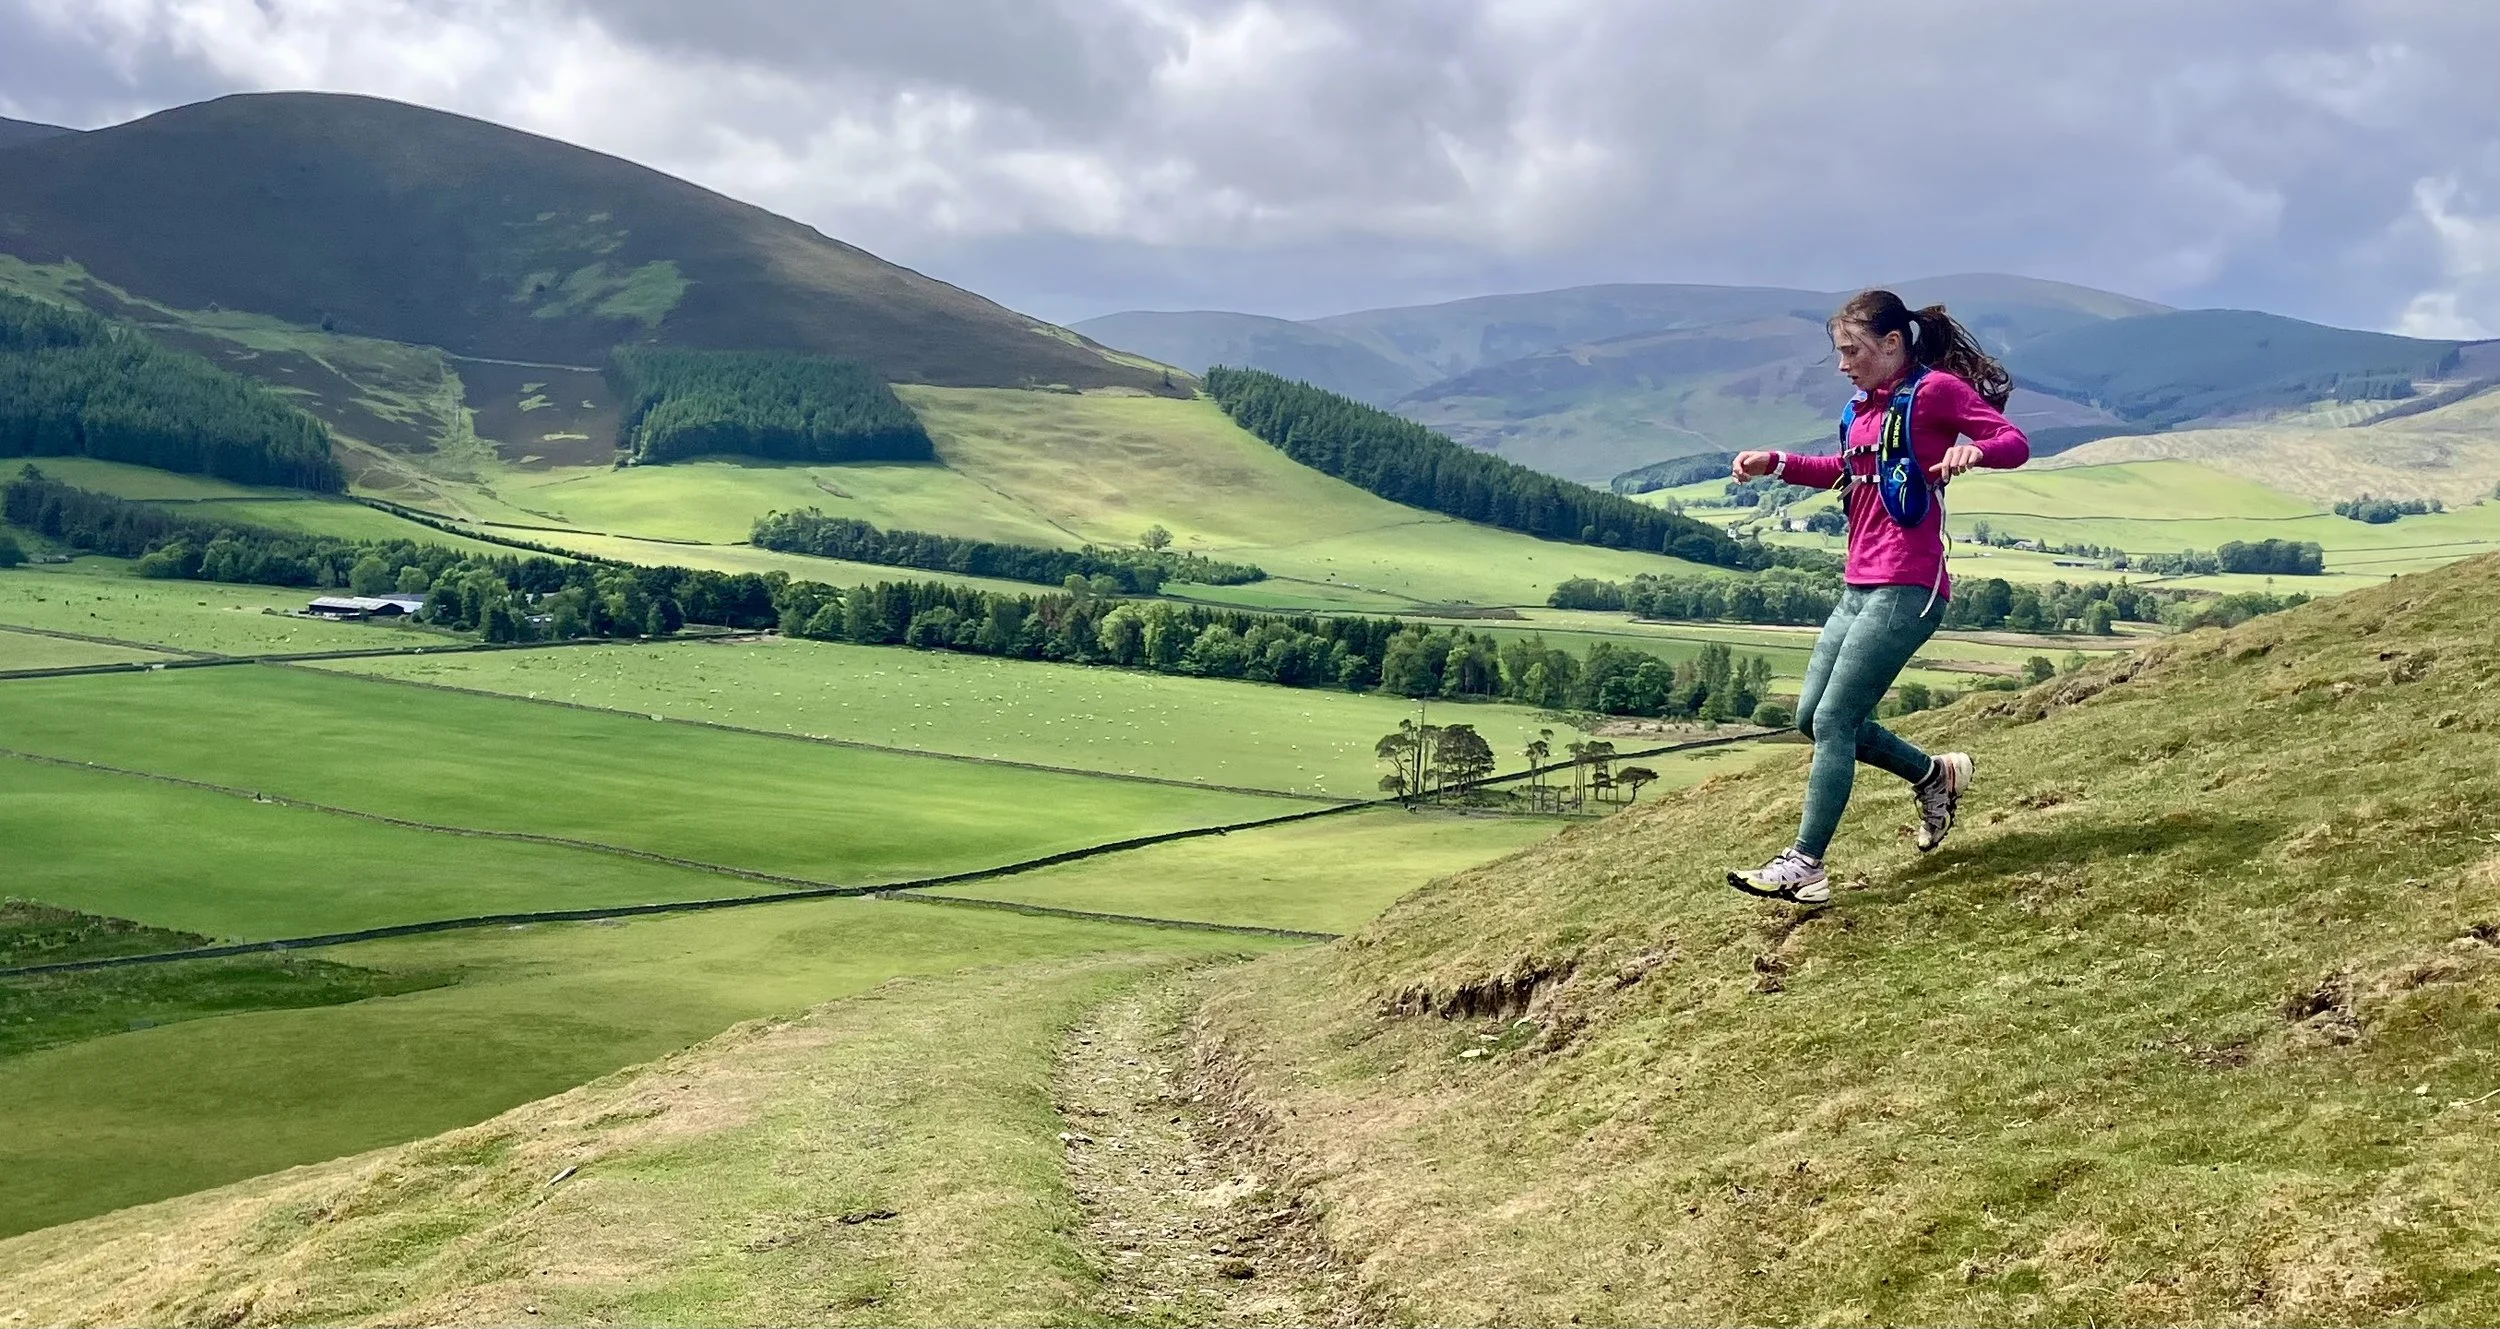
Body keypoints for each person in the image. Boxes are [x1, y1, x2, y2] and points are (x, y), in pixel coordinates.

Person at [1723, 290, 2030, 905]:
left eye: (1852, 350)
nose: (1843, 363)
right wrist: (1776, 462)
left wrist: (1976, 450)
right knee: (1811, 719)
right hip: (1857, 585)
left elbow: (2014, 442)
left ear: (1892, 344)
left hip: (1908, 585)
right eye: (1839, 352)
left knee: (1837, 720)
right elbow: (1846, 467)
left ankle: (1806, 865)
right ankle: (1934, 774)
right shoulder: (1859, 410)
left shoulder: (1936, 391)